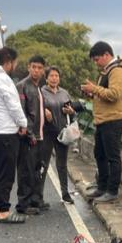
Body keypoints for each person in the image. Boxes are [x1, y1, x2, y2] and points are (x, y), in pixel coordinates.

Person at [0, 47, 29, 224]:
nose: (15, 66)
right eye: (14, 62)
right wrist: (23, 124)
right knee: (6, 173)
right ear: (8, 61)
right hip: (6, 132)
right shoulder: (3, 80)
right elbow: (13, 105)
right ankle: (4, 211)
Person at [82, 41, 122, 203]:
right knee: (100, 154)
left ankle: (112, 190)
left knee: (112, 157)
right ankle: (102, 187)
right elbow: (104, 94)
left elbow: (114, 94)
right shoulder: (107, 71)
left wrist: (94, 89)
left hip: (114, 120)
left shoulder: (117, 71)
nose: (96, 63)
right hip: (103, 120)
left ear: (106, 55)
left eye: (97, 59)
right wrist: (91, 93)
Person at [40, 66, 83, 204]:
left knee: (62, 164)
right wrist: (44, 113)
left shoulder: (64, 93)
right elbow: (34, 109)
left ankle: (65, 193)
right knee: (43, 164)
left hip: (62, 132)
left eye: (56, 76)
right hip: (46, 132)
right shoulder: (41, 92)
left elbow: (73, 112)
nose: (54, 78)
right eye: (51, 76)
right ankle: (38, 196)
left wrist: (71, 111)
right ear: (46, 78)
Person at [16, 55, 48, 215]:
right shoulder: (22, 86)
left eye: (39, 68)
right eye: (34, 67)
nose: (36, 70)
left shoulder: (39, 88)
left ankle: (35, 200)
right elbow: (22, 112)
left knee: (36, 170)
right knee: (25, 171)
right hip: (29, 137)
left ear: (43, 71)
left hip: (40, 135)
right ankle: (23, 203)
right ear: (29, 67)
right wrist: (30, 134)